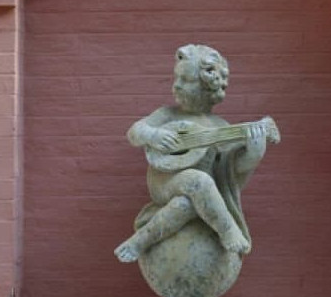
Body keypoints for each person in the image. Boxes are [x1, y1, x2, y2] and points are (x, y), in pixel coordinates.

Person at [114, 44, 267, 263]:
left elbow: (230, 171)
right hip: (165, 182)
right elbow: (134, 132)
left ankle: (138, 242)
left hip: (203, 191)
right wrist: (153, 135)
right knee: (198, 180)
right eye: (177, 78)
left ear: (207, 87)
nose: (177, 85)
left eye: (186, 80)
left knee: (186, 204)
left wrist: (253, 155)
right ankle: (228, 230)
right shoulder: (168, 114)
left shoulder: (220, 126)